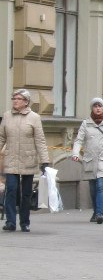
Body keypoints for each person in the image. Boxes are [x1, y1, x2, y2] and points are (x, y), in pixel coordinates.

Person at [0, 89, 50, 232]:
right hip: (11, 159)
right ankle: (10, 222)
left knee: (26, 193)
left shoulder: (34, 117)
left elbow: (40, 140)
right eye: (14, 98)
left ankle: (25, 222)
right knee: (11, 189)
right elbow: (1, 137)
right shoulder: (7, 116)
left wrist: (44, 161)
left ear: (26, 102)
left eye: (19, 98)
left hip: (28, 159)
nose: (15, 101)